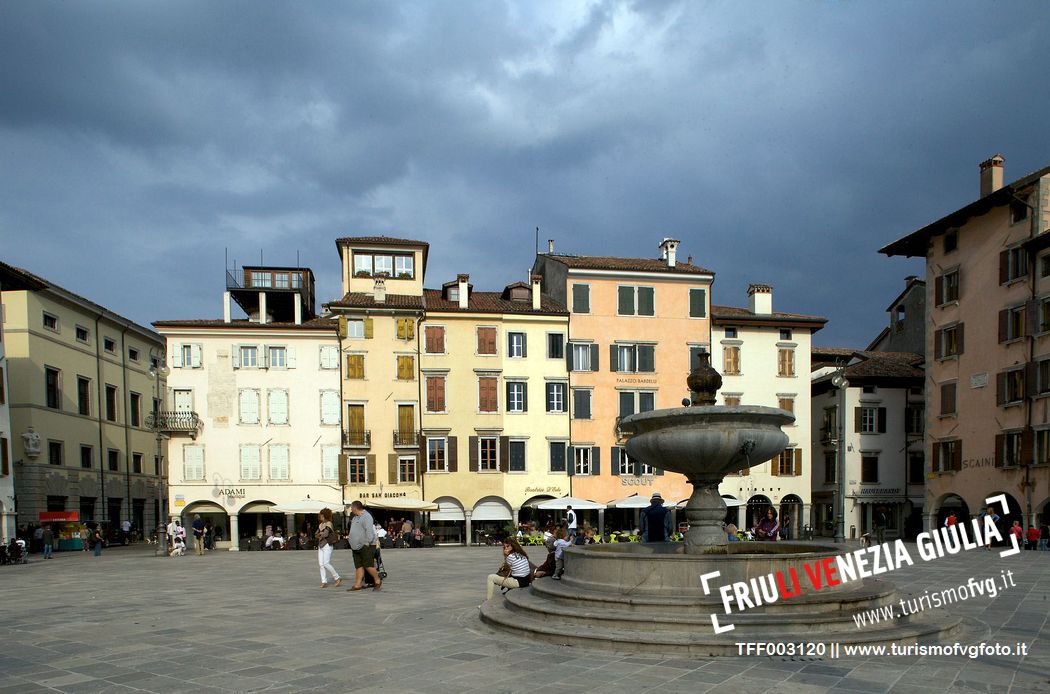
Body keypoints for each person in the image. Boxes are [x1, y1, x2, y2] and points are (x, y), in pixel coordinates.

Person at [346, 501, 381, 592]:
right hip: (355, 547)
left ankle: (377, 580)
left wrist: (366, 543)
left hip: (365, 546)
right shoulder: (355, 518)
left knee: (368, 565)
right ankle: (357, 585)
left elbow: (369, 532)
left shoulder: (366, 516)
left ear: (355, 508)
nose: (351, 509)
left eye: (351, 508)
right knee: (359, 566)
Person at [315, 508, 342, 588]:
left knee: (326, 563)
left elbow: (325, 534)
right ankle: (324, 581)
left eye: (322, 515)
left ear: (325, 515)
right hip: (321, 545)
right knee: (321, 564)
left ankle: (337, 577)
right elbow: (316, 533)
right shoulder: (321, 524)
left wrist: (319, 534)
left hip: (327, 545)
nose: (320, 516)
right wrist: (319, 534)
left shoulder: (329, 523)